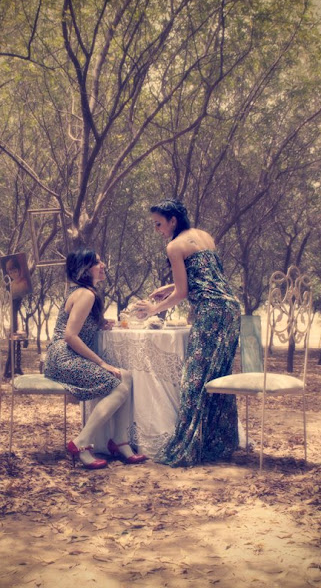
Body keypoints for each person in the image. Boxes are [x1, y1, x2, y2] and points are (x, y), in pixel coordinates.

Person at [133, 199, 240, 467]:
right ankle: (217, 443)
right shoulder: (205, 236)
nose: (157, 230)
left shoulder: (174, 247)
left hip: (211, 311)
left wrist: (153, 309)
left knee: (194, 379)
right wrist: (170, 287)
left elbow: (183, 293)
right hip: (231, 309)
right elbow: (209, 278)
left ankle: (188, 446)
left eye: (159, 224)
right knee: (217, 376)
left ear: (173, 221)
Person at [44, 249, 147, 470]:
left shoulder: (82, 292)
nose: (103, 265)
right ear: (84, 268)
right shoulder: (85, 294)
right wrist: (102, 363)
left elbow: (77, 325)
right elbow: (70, 336)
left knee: (125, 376)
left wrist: (100, 323)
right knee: (118, 386)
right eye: (97, 262)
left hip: (62, 356)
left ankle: (120, 442)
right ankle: (82, 442)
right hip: (64, 357)